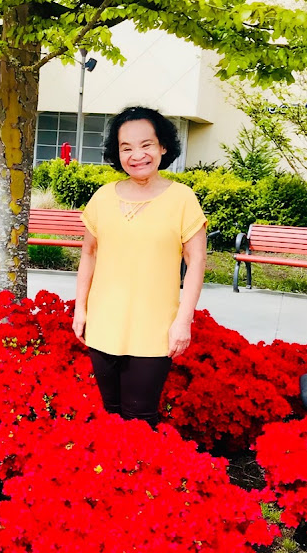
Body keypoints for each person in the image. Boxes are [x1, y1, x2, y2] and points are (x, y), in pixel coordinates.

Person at [72, 106, 207, 428]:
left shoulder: (182, 199)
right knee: (110, 413)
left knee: (141, 419)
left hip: (155, 328)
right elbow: (89, 253)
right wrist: (81, 309)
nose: (137, 155)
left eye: (146, 145)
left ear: (163, 146)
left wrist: (183, 321)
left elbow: (197, 261)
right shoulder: (102, 198)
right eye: (126, 147)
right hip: (104, 323)